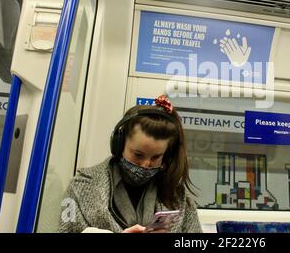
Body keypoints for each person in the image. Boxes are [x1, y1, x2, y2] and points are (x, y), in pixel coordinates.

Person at [59, 95, 202, 233]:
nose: (146, 164)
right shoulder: (80, 187)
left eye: (156, 157)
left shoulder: (179, 195)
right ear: (119, 144)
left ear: (166, 155)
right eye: (138, 155)